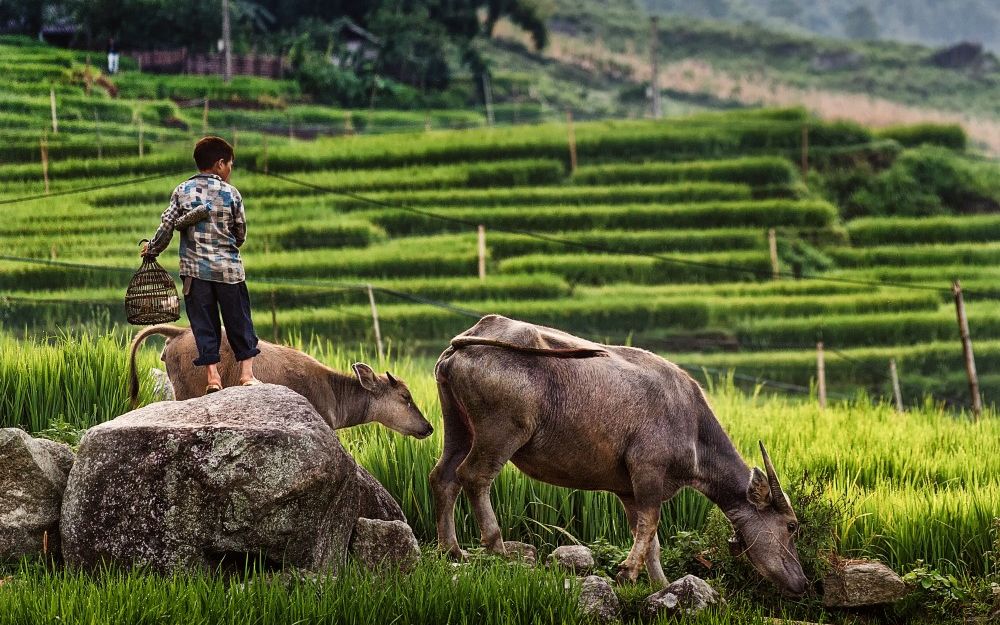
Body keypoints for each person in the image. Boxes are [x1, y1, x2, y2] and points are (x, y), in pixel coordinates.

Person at [141, 136, 260, 394]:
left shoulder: (182, 191)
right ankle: (247, 375)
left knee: (204, 324)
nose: (230, 169)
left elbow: (166, 227)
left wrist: (152, 249)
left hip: (195, 272)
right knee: (239, 320)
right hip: (229, 271)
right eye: (230, 164)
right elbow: (240, 233)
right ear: (219, 164)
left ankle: (213, 378)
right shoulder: (231, 193)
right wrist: (228, 245)